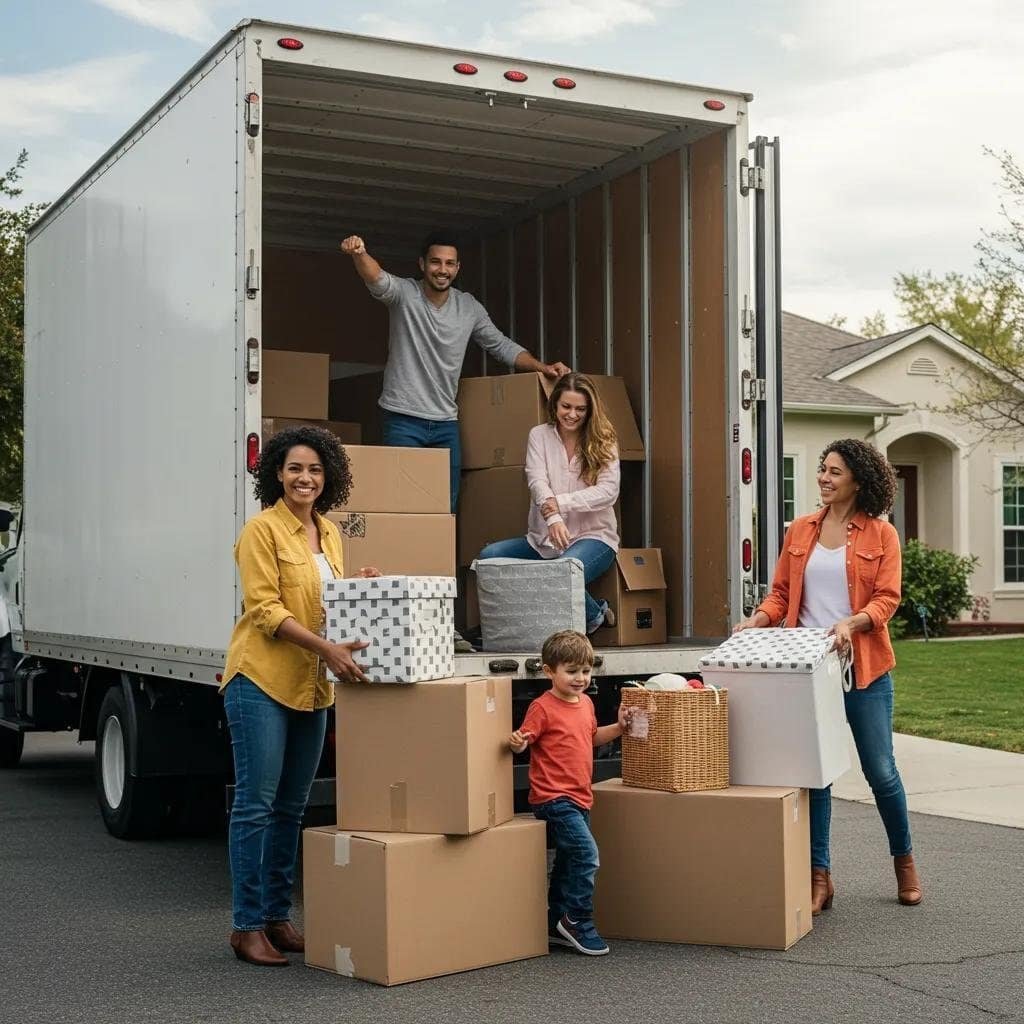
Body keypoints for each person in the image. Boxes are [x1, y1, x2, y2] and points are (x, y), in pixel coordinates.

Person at [733, 438, 922, 913]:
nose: (824, 477)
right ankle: (820, 877)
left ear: (858, 480)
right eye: (822, 469)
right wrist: (758, 618)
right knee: (816, 775)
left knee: (881, 772)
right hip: (808, 671)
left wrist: (851, 623)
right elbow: (780, 595)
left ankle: (904, 863)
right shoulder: (800, 531)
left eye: (834, 471)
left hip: (864, 669)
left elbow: (888, 598)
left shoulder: (882, 535)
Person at [221, 425, 380, 967]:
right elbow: (265, 611)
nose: (305, 478)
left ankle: (276, 918)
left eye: (314, 469)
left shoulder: (330, 534)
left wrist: (360, 585)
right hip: (260, 682)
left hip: (312, 687)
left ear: (327, 476)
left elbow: (325, 601)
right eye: (294, 468)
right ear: (277, 474)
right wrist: (329, 651)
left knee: (292, 808)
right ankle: (245, 927)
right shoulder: (260, 532)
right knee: (255, 806)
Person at [339, 231, 570, 514]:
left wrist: (542, 367)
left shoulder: (468, 307)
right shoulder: (404, 294)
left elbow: (500, 345)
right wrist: (359, 253)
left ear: (458, 268)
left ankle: (436, 558)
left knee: (444, 505)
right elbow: (375, 277)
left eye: (450, 264)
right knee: (400, 503)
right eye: (436, 262)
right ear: (422, 264)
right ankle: (401, 558)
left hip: (445, 422)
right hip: (402, 418)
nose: (443, 270)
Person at [509, 630, 631, 956]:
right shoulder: (542, 707)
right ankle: (577, 919)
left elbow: (591, 738)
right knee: (587, 856)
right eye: (571, 671)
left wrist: (619, 728)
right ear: (549, 671)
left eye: (586, 671)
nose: (580, 678)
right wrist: (519, 741)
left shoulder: (587, 703)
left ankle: (554, 923)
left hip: (580, 797)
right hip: (553, 798)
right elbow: (524, 737)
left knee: (567, 862)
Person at [479, 372, 619, 635]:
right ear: (554, 404)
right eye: (566, 406)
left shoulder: (604, 440)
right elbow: (536, 480)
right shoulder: (539, 435)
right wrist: (553, 518)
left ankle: (591, 615)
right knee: (489, 558)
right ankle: (595, 612)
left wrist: (560, 503)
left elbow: (609, 492)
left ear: (590, 410)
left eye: (581, 409)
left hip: (594, 537)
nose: (572, 414)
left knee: (561, 571)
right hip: (543, 540)